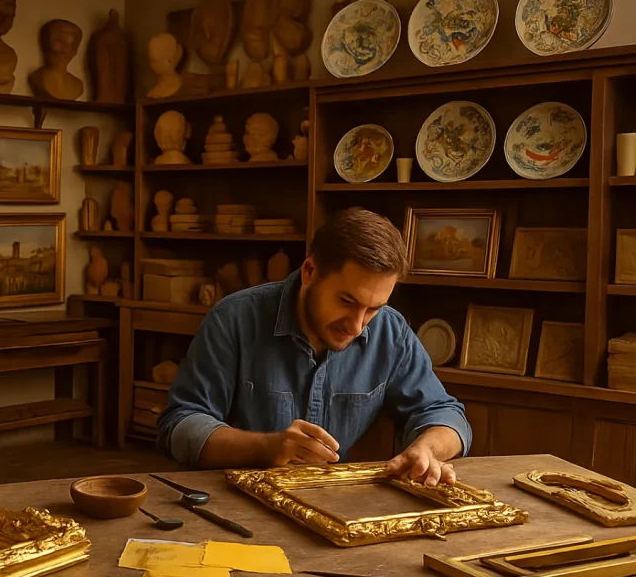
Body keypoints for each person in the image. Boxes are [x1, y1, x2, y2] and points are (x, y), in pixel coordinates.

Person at [157, 207, 470, 487]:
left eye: (373, 308)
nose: (357, 325)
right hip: (235, 505)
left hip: (333, 507)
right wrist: (267, 448)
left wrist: (426, 448)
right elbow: (180, 425)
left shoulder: (391, 331)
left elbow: (446, 415)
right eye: (347, 301)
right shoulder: (234, 319)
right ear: (310, 271)